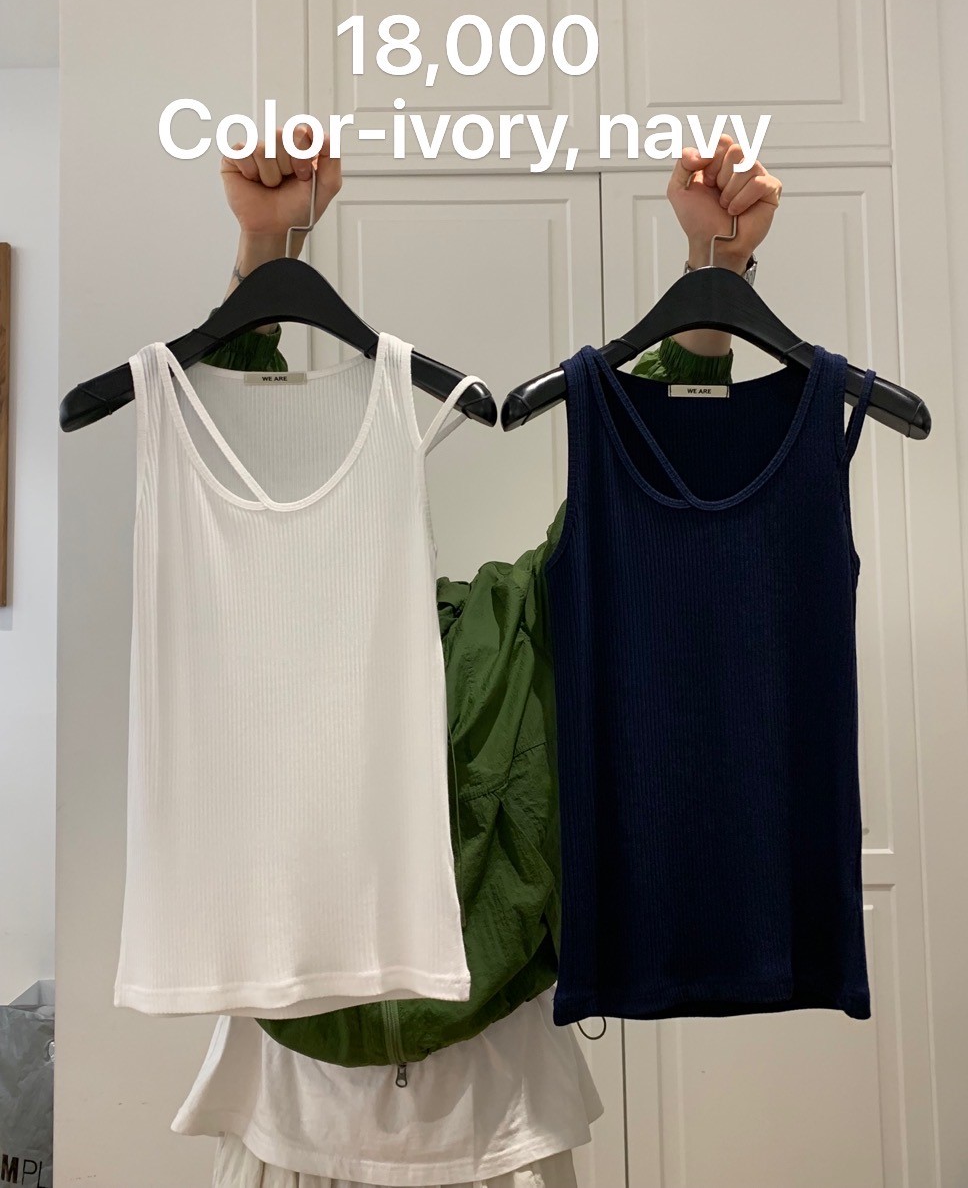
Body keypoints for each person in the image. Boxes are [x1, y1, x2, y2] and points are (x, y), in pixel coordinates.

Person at [203, 125, 783, 1067]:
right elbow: (231, 475)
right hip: (288, 1086)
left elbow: (640, 512)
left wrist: (711, 279)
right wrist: (265, 255)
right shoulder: (271, 625)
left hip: (497, 1085)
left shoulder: (519, 624)